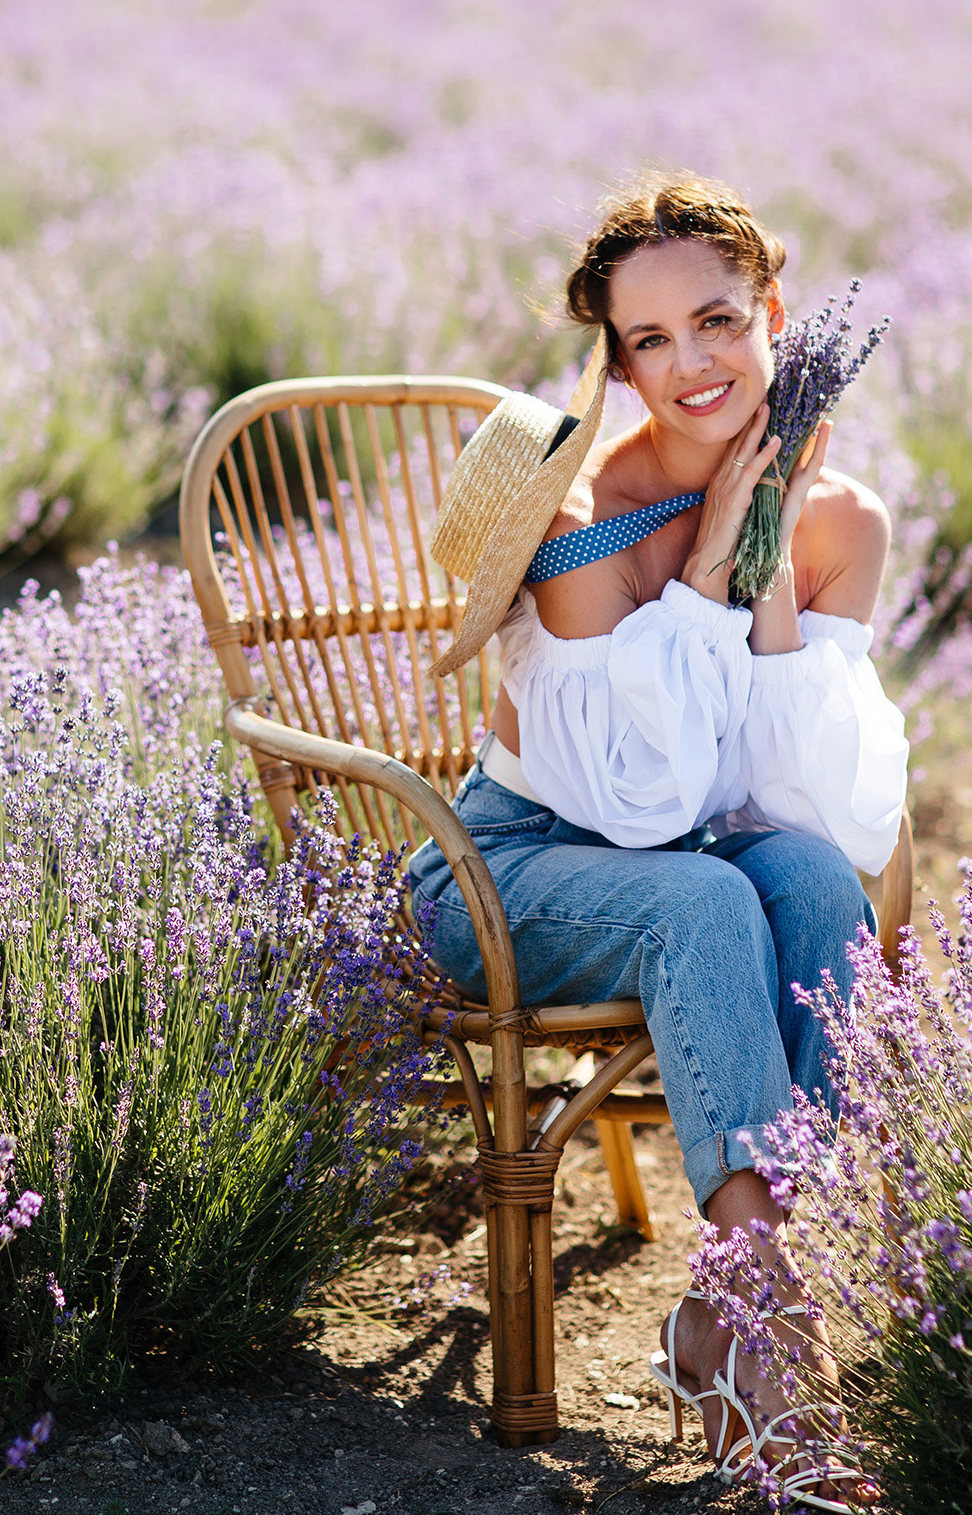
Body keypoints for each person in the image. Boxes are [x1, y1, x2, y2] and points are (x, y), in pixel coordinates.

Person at [407, 173, 906, 1502]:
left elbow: (829, 817)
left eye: (719, 321)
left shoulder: (843, 518)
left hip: (694, 860)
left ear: (774, 316)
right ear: (616, 363)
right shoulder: (575, 528)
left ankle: (724, 1309)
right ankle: (767, 1342)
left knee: (798, 876)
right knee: (703, 903)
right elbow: (638, 811)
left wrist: (773, 584)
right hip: (507, 873)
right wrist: (698, 580)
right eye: (650, 341)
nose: (694, 364)